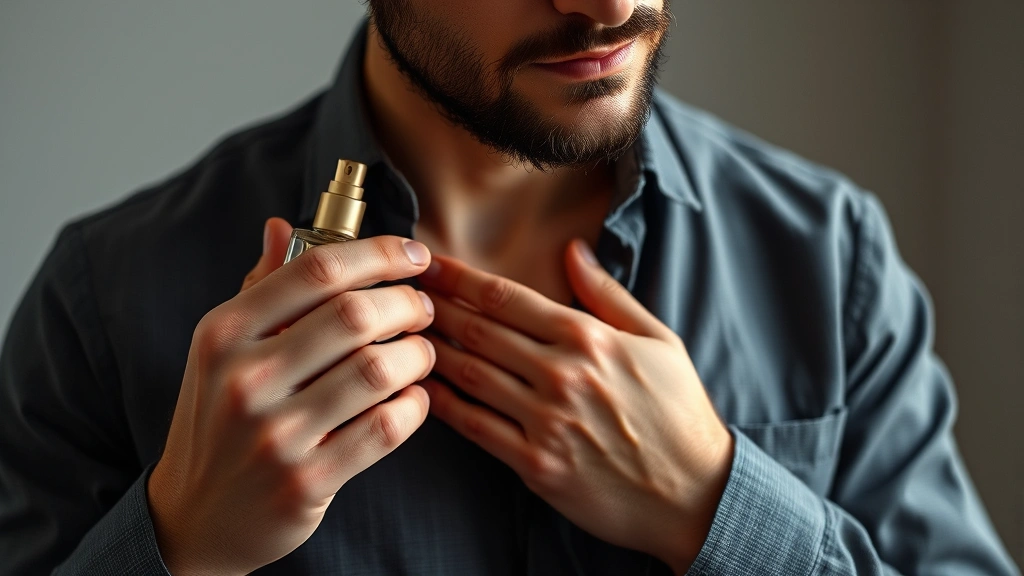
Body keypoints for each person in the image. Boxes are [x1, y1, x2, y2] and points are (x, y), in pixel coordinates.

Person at [0, 1, 1018, 574]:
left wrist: (719, 510)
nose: (610, 6)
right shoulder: (104, 300)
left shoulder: (829, 258)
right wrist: (176, 542)